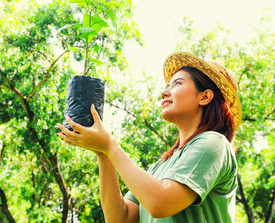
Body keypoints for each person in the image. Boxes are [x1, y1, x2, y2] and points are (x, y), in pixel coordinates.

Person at [57, 52, 242, 222]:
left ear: (205, 96)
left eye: (177, 83)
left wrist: (110, 146)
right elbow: (120, 218)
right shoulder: (159, 168)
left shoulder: (214, 143)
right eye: (167, 86)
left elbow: (161, 203)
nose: (164, 92)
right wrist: (103, 154)